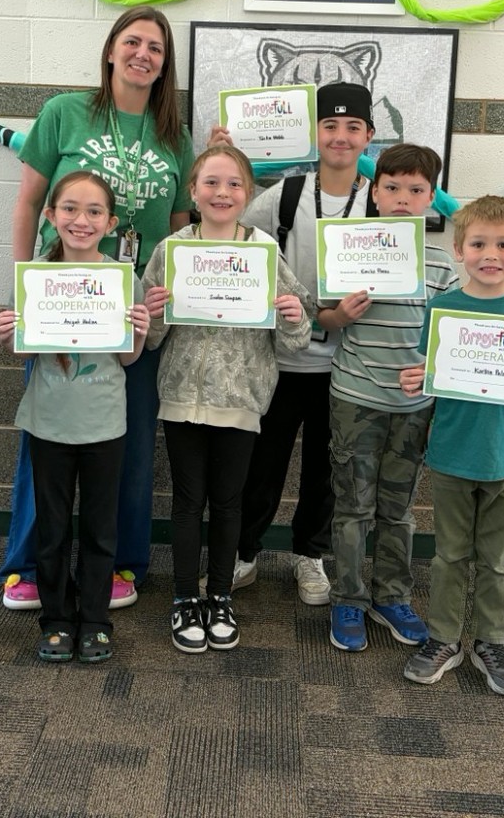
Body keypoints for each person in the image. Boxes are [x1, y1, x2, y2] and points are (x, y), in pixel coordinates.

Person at [0, 6, 196, 612]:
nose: (143, 54)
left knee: (131, 439)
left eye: (156, 48)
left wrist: (175, 295)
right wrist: (23, 283)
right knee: (47, 432)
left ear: (165, 65)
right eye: (132, 42)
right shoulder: (65, 112)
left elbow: (183, 227)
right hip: (60, 299)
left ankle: (121, 564)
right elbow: (29, 202)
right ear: (111, 50)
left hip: (130, 307)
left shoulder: (175, 137)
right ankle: (28, 565)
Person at [209, 82, 377, 607]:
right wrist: (221, 158)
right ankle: (245, 553)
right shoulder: (283, 196)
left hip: (345, 365)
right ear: (315, 133)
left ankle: (310, 554)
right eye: (330, 126)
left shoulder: (378, 201)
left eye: (353, 128)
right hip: (279, 361)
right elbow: (224, 236)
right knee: (262, 467)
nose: (341, 137)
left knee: (327, 471)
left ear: (368, 136)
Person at [141, 145, 312, 653]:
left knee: (229, 501)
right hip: (182, 396)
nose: (222, 192)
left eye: (233, 183)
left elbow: (295, 338)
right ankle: (182, 598)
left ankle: (219, 596)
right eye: (211, 182)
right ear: (192, 192)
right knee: (189, 502)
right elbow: (149, 338)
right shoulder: (172, 250)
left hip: (242, 396)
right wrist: (152, 312)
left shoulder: (262, 250)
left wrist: (290, 314)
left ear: (248, 193)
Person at [399, 195, 504, 695]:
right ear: (458, 250)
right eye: (478, 243)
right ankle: (444, 638)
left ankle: (491, 640)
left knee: (497, 560)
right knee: (450, 555)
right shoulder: (443, 308)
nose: (490, 253)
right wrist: (418, 379)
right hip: (453, 452)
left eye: (503, 243)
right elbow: (434, 375)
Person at [0, 172, 151, 664]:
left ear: (111, 222)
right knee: (54, 528)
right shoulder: (35, 275)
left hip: (105, 421)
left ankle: (96, 620)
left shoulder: (124, 278)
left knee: (102, 530)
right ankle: (58, 619)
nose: (81, 220)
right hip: (49, 422)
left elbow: (126, 360)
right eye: (70, 209)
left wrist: (140, 332)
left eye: (94, 212)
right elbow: (26, 350)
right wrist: (7, 332)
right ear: (50, 216)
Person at [321, 144, 460, 653]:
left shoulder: (443, 265)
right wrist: (342, 315)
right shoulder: (347, 250)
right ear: (373, 192)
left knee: (397, 510)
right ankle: (348, 599)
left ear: (431, 199)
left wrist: (431, 372)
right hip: (355, 396)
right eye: (393, 188)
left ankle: (392, 595)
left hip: (414, 407)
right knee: (353, 506)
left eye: (417, 190)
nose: (403, 199)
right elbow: (324, 320)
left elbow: (450, 343)